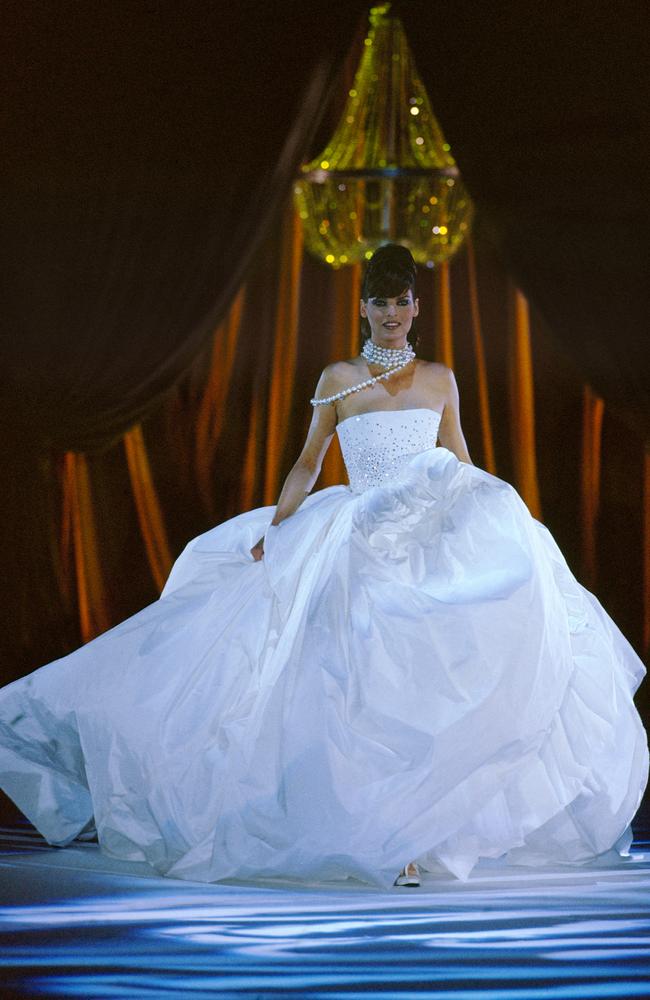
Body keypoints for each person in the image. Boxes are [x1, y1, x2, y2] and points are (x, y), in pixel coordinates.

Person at [0, 243, 647, 891]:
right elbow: (309, 463)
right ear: (362, 306)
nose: (392, 313)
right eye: (380, 301)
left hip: (423, 545)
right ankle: (373, 829)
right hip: (354, 538)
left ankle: (414, 834)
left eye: (402, 301)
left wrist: (494, 523)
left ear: (416, 307)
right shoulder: (338, 379)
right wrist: (276, 531)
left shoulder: (440, 379)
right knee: (357, 685)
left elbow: (461, 461)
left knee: (425, 685)